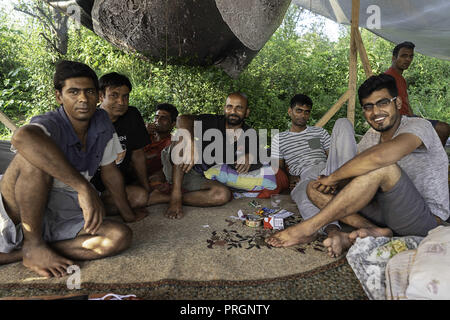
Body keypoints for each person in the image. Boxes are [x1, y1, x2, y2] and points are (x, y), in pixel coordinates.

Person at [266, 74, 449, 258]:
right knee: (313, 187)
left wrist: (333, 177)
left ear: (398, 103)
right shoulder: (371, 135)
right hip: (381, 210)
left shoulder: (419, 126)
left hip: (422, 216)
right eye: (369, 106)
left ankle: (308, 227)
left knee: (383, 167)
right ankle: (375, 231)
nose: (376, 112)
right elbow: (353, 169)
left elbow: (379, 158)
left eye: (383, 103)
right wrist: (329, 184)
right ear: (290, 112)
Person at [0, 60, 133, 278]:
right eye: (73, 92)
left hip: (62, 206)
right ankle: (33, 245)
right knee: (31, 157)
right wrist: (84, 188)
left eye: (89, 91)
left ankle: (23, 252)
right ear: (59, 96)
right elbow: (22, 136)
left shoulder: (101, 121)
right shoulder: (50, 122)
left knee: (119, 236)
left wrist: (129, 214)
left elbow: (109, 171)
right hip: (19, 203)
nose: (83, 99)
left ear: (98, 96)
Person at [162, 92, 263, 219]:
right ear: (224, 109)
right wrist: (190, 140)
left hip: (200, 176)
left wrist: (250, 155)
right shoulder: (212, 121)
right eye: (229, 106)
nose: (233, 111)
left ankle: (163, 198)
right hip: (177, 167)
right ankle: (175, 196)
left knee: (222, 195)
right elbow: (182, 119)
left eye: (239, 108)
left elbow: (261, 155)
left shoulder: (250, 133)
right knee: (183, 135)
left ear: (247, 112)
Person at [271, 94, 356, 240]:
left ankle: (352, 177)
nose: (303, 115)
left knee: (343, 122)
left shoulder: (318, 132)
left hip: (329, 170)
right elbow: (277, 168)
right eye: (299, 110)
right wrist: (290, 176)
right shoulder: (279, 138)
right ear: (290, 111)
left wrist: (333, 175)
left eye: (307, 111)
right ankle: (333, 231)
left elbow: (332, 156)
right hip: (304, 176)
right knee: (303, 196)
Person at [90, 72, 151, 222]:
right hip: (92, 187)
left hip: (118, 185)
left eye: (125, 96)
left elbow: (138, 154)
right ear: (100, 96)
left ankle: (98, 209)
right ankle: (93, 208)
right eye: (114, 95)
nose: (121, 101)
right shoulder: (89, 120)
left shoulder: (132, 115)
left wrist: (146, 186)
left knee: (142, 196)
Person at [385, 41, 450, 146]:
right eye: (404, 56)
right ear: (394, 58)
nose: (408, 59)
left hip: (407, 118)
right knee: (443, 129)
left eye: (411, 56)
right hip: (399, 121)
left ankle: (430, 157)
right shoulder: (387, 77)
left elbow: (405, 101)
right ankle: (436, 159)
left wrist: (414, 117)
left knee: (443, 128)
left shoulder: (401, 78)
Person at [143, 103, 178, 190]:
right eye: (156, 117)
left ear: (173, 124)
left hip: (151, 178)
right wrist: (141, 133)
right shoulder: (144, 133)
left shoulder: (172, 143)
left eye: (163, 118)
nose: (158, 120)